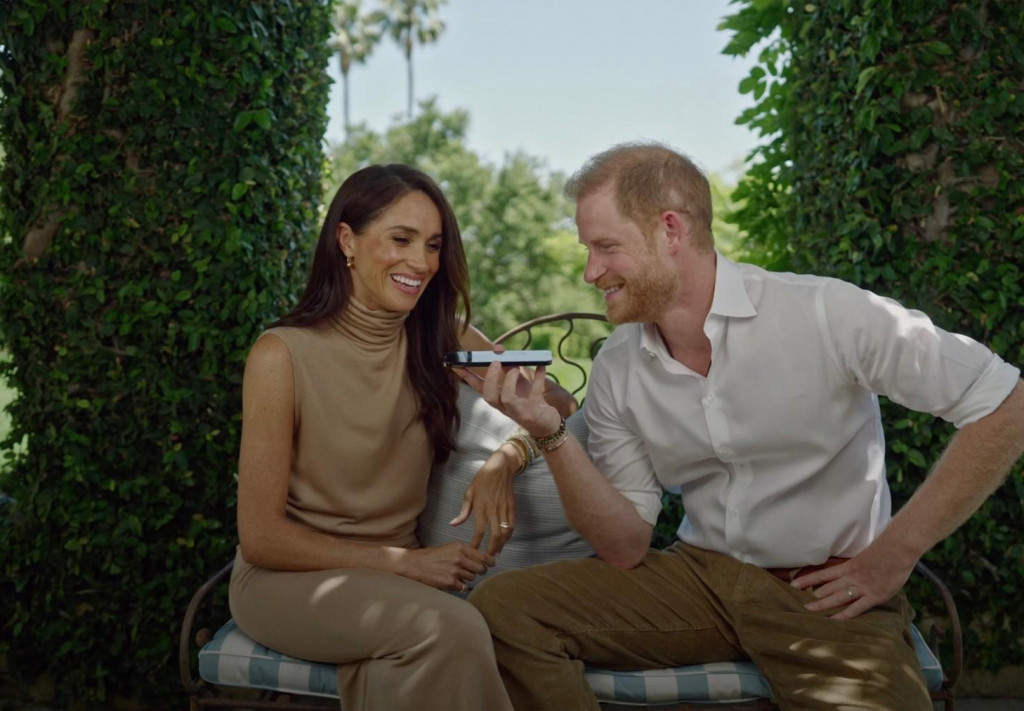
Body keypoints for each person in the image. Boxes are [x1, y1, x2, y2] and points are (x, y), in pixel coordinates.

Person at [458, 143, 1024, 711]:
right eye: (589, 250)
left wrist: (894, 555)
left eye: (606, 247)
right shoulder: (619, 365)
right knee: (504, 609)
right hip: (699, 581)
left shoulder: (824, 313)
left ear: (670, 231)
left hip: (825, 597)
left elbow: (1006, 403)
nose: (590, 272)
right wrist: (549, 431)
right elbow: (624, 546)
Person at [228, 164, 517, 711]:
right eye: (401, 239)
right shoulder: (280, 355)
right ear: (347, 241)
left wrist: (507, 455)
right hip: (285, 580)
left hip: (393, 581)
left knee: (442, 640)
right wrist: (407, 564)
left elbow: (559, 407)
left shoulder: (441, 337)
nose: (421, 263)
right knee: (451, 627)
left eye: (433, 245)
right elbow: (261, 537)